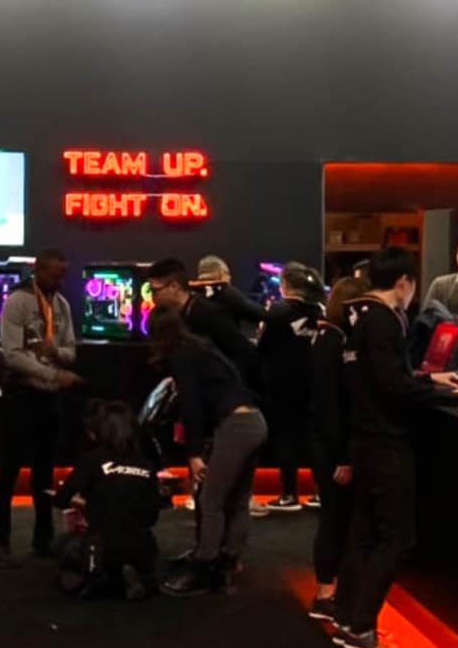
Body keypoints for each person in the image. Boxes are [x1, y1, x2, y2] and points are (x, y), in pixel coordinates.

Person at [332, 247, 458, 648]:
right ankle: (361, 627)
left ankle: (347, 616)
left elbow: (383, 377)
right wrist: (447, 393)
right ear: (404, 283)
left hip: (364, 437)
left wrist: (429, 380)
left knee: (365, 532)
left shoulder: (357, 315)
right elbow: (392, 386)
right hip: (384, 441)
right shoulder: (383, 319)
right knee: (396, 536)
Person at [154, 308, 267, 597]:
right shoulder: (203, 348)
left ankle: (205, 566)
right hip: (255, 421)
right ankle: (228, 560)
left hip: (236, 426)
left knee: (210, 498)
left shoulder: (182, 356)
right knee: (238, 498)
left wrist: (193, 453)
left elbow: (191, 405)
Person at [0, 249, 84, 566]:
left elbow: (71, 351)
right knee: (9, 469)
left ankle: (43, 538)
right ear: (39, 271)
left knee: (45, 472)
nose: (60, 281)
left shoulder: (62, 305)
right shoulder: (18, 302)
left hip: (49, 398)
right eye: (55, 275)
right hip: (21, 396)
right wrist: (53, 372)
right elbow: (12, 354)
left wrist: (53, 352)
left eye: (63, 275)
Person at [54, 399, 163, 600]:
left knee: (63, 545)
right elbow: (152, 515)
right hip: (142, 544)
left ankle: (99, 578)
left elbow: (60, 499)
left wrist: (85, 503)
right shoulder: (146, 464)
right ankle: (133, 573)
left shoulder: (91, 460)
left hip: (101, 543)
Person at [306, 275, 368, 623]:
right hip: (331, 445)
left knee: (334, 516)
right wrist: (343, 456)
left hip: (321, 440)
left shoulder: (324, 336)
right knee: (335, 517)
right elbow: (334, 405)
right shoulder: (336, 343)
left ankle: (329, 589)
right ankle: (325, 593)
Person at [256, 262, 321, 512]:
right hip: (313, 383)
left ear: (285, 285)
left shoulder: (277, 312)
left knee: (286, 437)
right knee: (313, 436)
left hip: (282, 384)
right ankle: (320, 492)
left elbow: (263, 349)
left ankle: (289, 494)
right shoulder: (320, 310)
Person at [148, 258, 259, 389]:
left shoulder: (210, 314)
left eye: (155, 290)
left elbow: (239, 353)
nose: (152, 297)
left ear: (174, 286)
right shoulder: (169, 317)